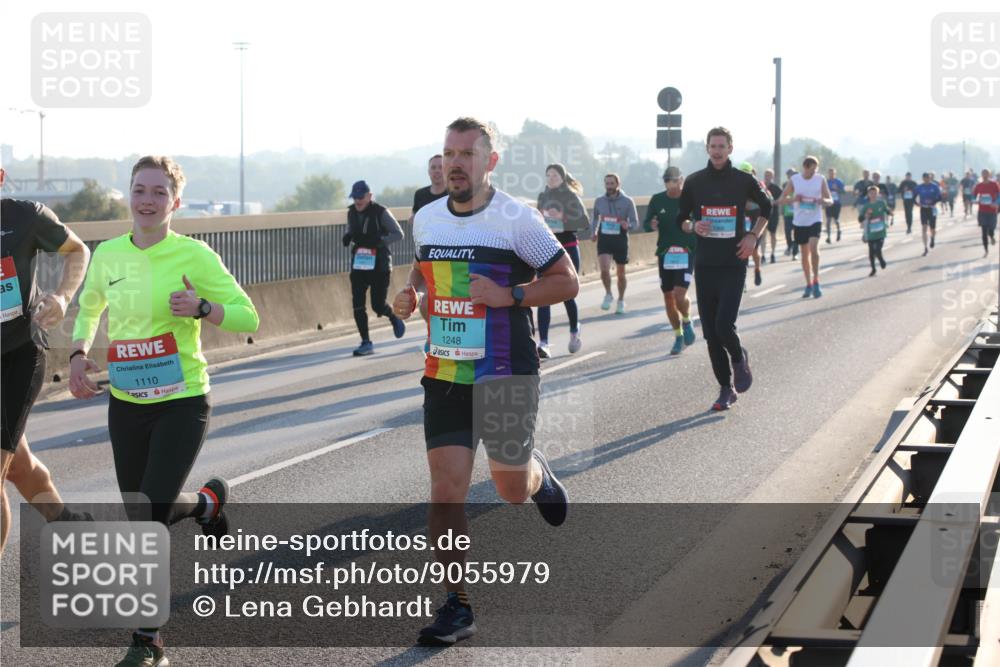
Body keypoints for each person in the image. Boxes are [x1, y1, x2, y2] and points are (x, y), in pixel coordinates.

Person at [390, 117, 578, 646]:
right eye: (449, 153)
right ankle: (457, 605)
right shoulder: (427, 218)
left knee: (509, 489)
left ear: (489, 161)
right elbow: (421, 269)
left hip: (505, 369)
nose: (455, 163)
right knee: (445, 489)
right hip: (446, 370)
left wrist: (509, 296)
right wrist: (411, 294)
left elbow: (566, 280)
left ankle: (535, 473)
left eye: (466, 154)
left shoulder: (517, 219)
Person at [69, 156, 260, 667]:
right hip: (127, 402)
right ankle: (205, 505)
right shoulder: (108, 254)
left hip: (182, 400)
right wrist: (78, 353)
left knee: (148, 516)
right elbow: (90, 306)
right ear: (129, 195)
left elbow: (249, 316)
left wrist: (203, 309)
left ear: (175, 202)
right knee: (141, 511)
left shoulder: (194, 255)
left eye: (159, 192)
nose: (147, 200)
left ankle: (147, 639)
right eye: (140, 190)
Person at [1, 167, 91, 552]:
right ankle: (72, 529)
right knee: (20, 468)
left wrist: (62, 297)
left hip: (17, 356)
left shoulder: (24, 217)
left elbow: (78, 251)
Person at [676, 127, 772, 411]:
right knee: (710, 333)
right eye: (713, 146)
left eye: (722, 146)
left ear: (730, 148)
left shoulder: (743, 180)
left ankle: (739, 357)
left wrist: (753, 236)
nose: (717, 151)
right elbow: (681, 219)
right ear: (707, 148)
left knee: (723, 325)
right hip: (706, 264)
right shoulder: (695, 182)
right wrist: (693, 226)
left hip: (733, 261)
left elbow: (767, 206)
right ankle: (725, 389)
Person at [343, 180, 406, 356]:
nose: (357, 201)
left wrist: (379, 241)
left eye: (360, 197)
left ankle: (393, 317)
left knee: (378, 306)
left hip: (380, 265)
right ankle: (365, 342)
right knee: (357, 304)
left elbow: (399, 234)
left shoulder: (381, 212)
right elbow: (350, 229)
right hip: (359, 264)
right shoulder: (351, 212)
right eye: (355, 197)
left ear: (369, 196)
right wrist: (348, 236)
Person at [536, 163, 589, 358]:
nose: (551, 178)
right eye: (548, 175)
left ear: (562, 178)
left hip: (568, 248)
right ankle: (543, 343)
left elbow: (584, 222)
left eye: (555, 175)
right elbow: (537, 221)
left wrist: (563, 218)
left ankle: (574, 331)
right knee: (543, 296)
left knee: (567, 294)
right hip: (546, 249)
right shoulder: (543, 197)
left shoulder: (571, 197)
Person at [647, 166, 697, 355]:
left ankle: (687, 320)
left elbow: (701, 221)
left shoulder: (691, 199)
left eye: (674, 180)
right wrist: (651, 224)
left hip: (687, 251)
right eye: (667, 180)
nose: (670, 184)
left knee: (679, 294)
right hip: (665, 253)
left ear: (681, 180)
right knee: (668, 297)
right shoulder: (657, 199)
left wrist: (692, 226)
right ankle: (678, 335)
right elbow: (646, 223)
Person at [778, 156, 833, 298]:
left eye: (816, 170)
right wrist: (794, 199)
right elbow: (781, 199)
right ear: (805, 167)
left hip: (815, 220)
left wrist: (823, 200)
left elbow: (830, 200)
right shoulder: (795, 180)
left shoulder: (820, 179)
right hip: (800, 221)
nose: (814, 172)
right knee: (804, 255)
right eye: (811, 170)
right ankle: (808, 283)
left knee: (814, 248)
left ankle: (816, 280)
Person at [591, 174, 638, 314]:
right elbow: (595, 219)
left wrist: (627, 225)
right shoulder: (599, 201)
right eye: (607, 183)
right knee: (604, 270)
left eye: (612, 183)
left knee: (621, 273)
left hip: (620, 239)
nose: (609, 186)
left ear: (618, 184)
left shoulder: (628, 201)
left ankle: (621, 300)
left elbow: (635, 223)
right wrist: (593, 232)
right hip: (604, 238)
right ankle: (608, 294)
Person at [737, 162, 766, 286]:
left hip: (756, 221)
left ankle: (757, 269)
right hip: (742, 220)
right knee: (740, 250)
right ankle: (741, 279)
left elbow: (768, 203)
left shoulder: (759, 185)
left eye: (747, 173)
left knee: (753, 250)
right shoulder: (735, 186)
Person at [858, 185, 890, 276]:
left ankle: (881, 260)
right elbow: (860, 218)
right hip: (870, 232)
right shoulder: (866, 206)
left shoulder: (881, 203)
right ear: (868, 194)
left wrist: (890, 212)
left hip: (880, 231)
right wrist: (865, 216)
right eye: (871, 193)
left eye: (875, 193)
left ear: (878, 194)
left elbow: (886, 210)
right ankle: (873, 269)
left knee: (878, 249)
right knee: (871, 251)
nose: (873, 195)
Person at [411, 154, 448, 218]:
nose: (437, 171)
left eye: (441, 167)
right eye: (433, 168)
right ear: (429, 171)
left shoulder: (454, 195)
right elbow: (415, 217)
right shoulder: (419, 194)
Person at [915, 172, 943, 256]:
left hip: (932, 209)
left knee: (932, 228)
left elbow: (940, 197)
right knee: (924, 228)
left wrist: (933, 201)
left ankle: (932, 238)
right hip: (923, 209)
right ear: (923, 179)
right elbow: (913, 197)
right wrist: (917, 204)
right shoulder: (920, 187)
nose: (926, 179)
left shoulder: (934, 186)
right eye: (924, 178)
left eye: (927, 178)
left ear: (930, 178)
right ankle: (925, 247)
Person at [973, 168, 999, 256]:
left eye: (986, 173)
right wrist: (975, 200)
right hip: (982, 211)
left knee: (991, 230)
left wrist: (996, 202)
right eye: (983, 173)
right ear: (981, 175)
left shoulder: (994, 184)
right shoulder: (978, 185)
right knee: (984, 231)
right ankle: (986, 250)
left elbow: (999, 195)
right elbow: (974, 195)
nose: (985, 175)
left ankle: (991, 236)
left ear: (989, 175)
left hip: (992, 211)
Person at [763, 168, 783, 263]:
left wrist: (774, 202)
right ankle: (763, 255)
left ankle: (772, 253)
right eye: (766, 175)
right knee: (763, 235)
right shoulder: (761, 186)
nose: (767, 177)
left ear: (772, 176)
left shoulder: (776, 188)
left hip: (774, 214)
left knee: (773, 234)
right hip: (763, 214)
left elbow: (782, 198)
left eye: (769, 175)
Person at [825, 167, 845, 243]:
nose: (831, 175)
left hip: (836, 203)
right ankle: (828, 237)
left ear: (835, 174)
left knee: (836, 220)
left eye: (833, 173)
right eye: (830, 173)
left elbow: (843, 192)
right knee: (828, 220)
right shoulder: (826, 182)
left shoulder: (839, 182)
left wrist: (837, 189)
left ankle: (839, 231)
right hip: (828, 203)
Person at [782, 168, 798, 259]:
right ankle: (790, 246)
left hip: (797, 214)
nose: (789, 176)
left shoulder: (799, 184)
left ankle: (795, 253)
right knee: (787, 233)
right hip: (787, 213)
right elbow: (782, 197)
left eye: (791, 174)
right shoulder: (785, 185)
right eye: (788, 174)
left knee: (796, 234)